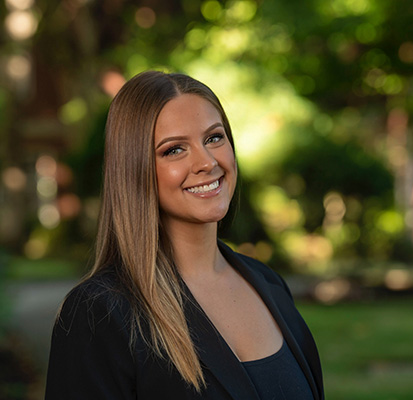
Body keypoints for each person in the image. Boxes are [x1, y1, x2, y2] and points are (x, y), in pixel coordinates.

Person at [45, 70, 324, 400]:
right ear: (134, 169)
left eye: (214, 138)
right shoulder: (99, 313)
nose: (206, 162)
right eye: (174, 150)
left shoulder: (269, 285)